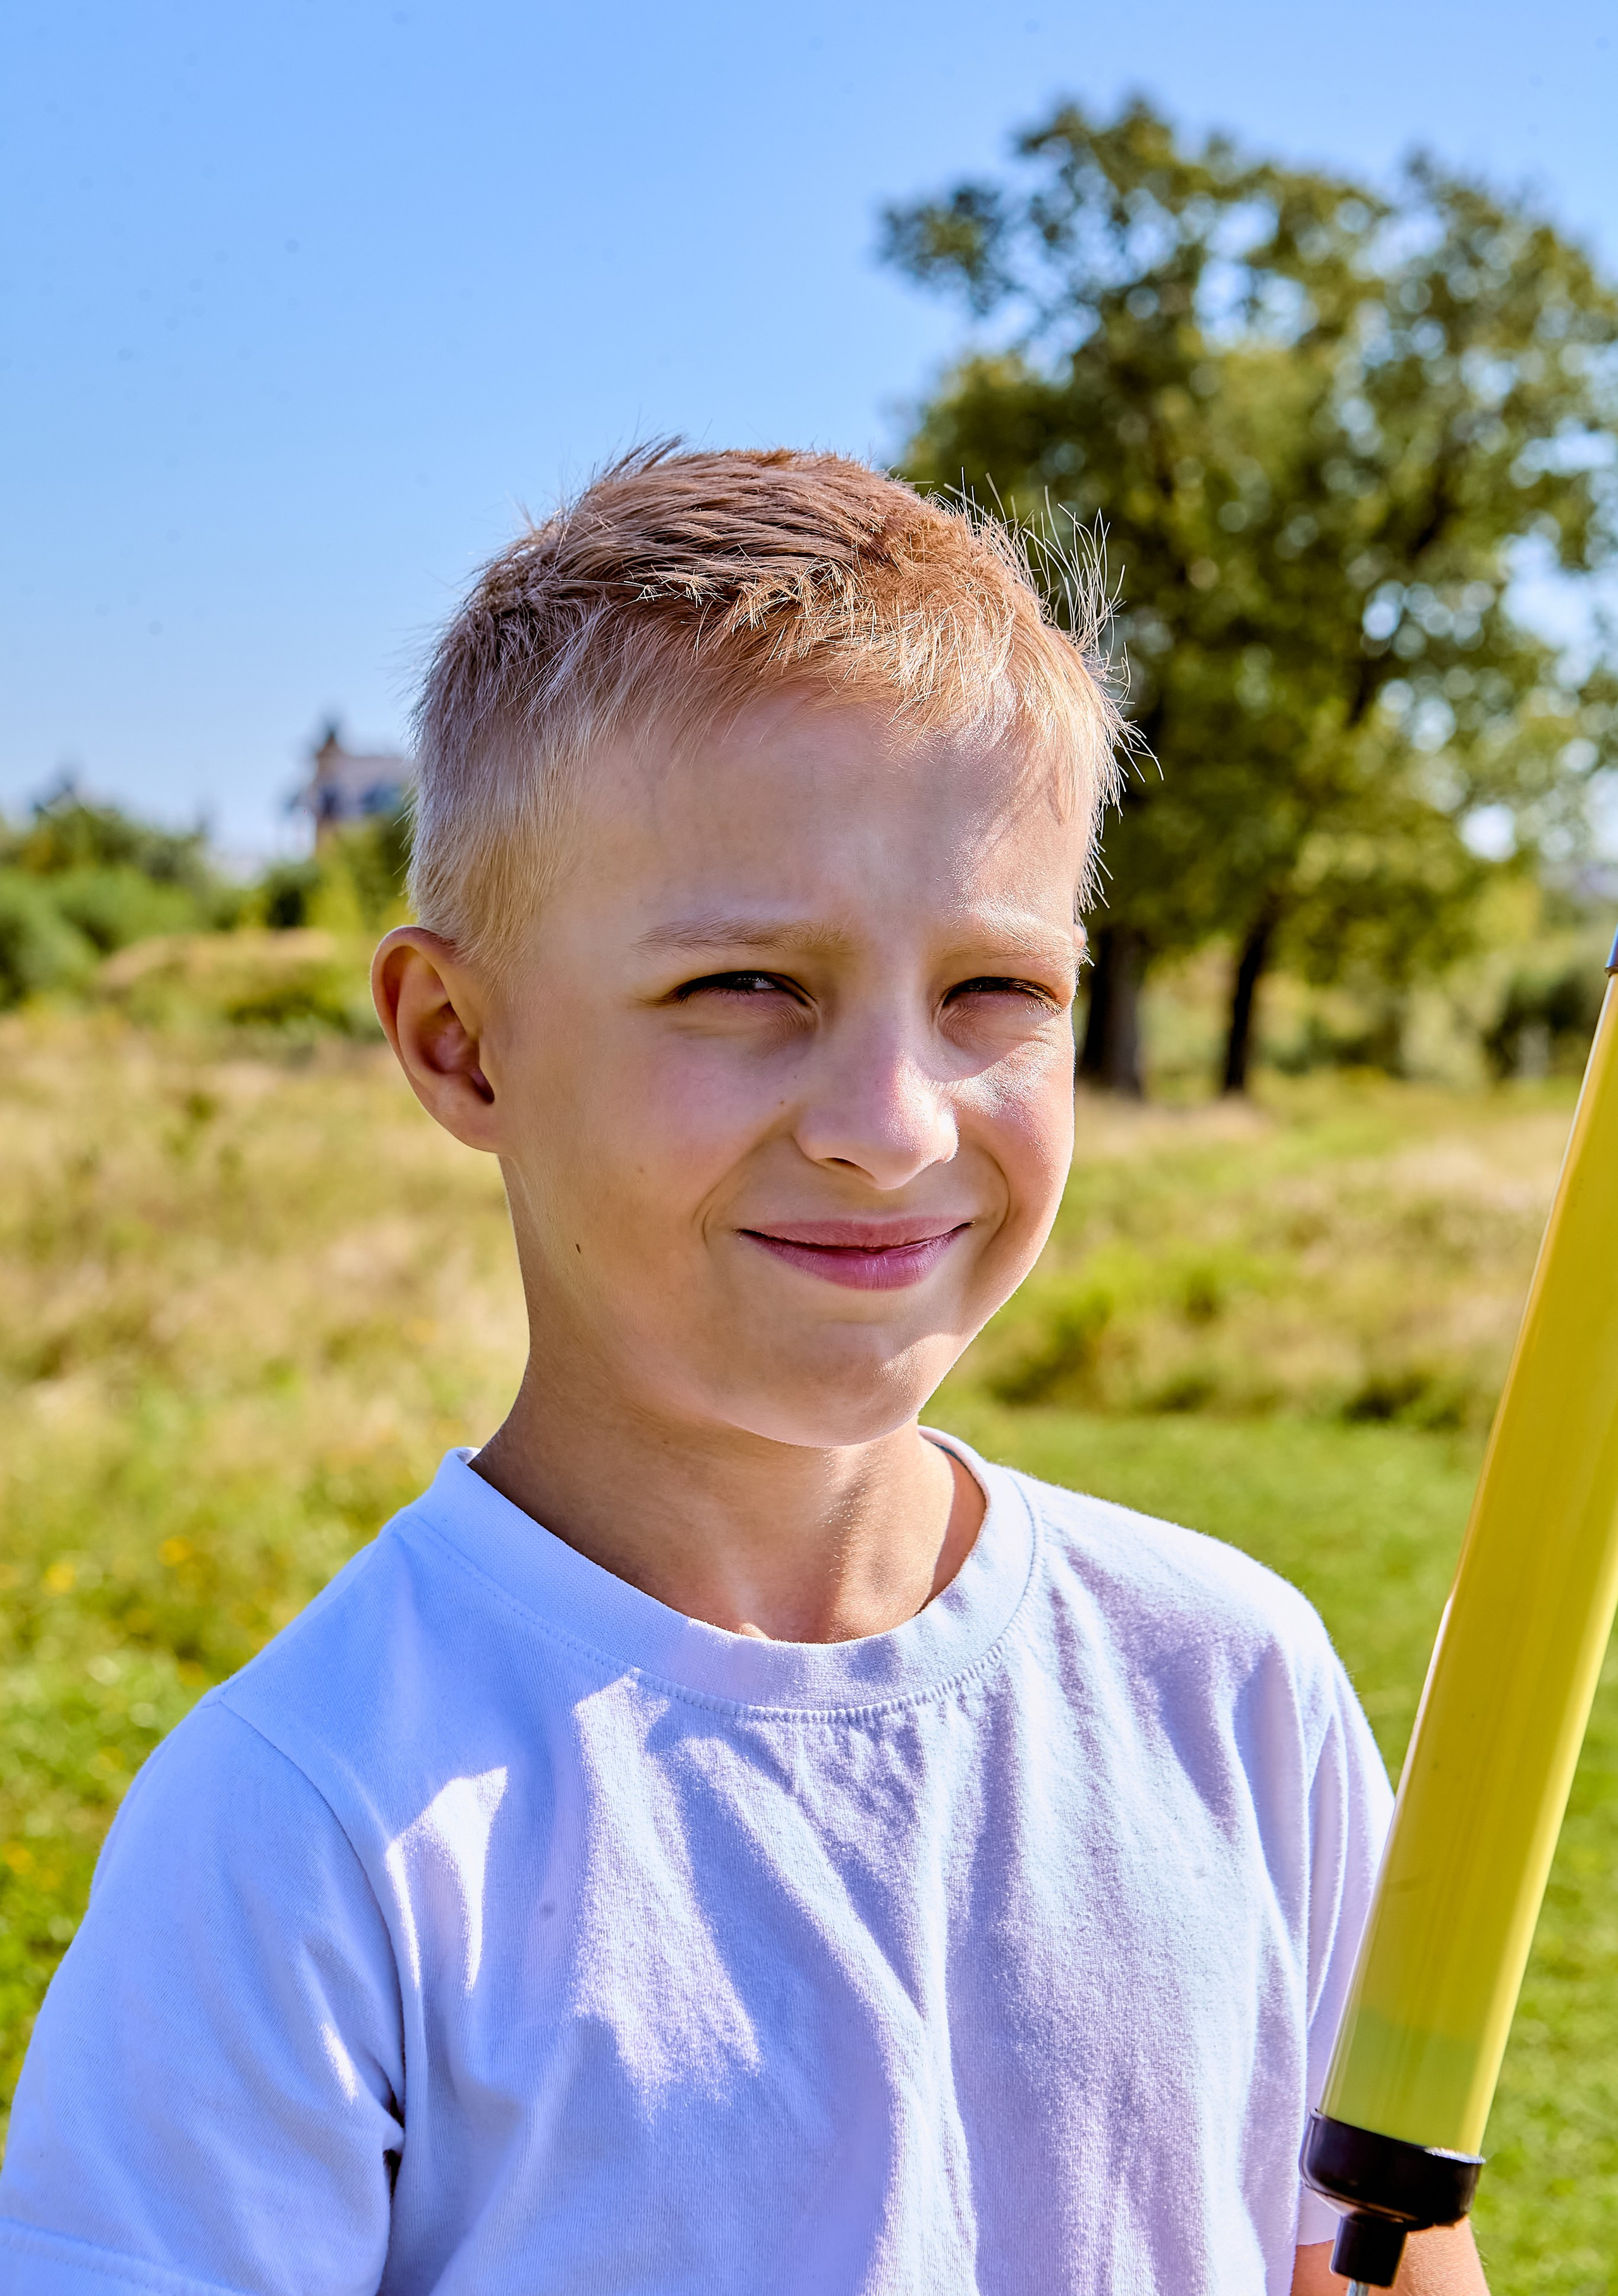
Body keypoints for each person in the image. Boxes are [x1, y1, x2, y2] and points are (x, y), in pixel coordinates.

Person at [0, 449, 1487, 2295]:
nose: (890, 1124)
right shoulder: (311, 1831)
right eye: (744, 990)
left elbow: (1385, 2251)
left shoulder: (1235, 1686)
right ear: (462, 1046)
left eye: (995, 995)